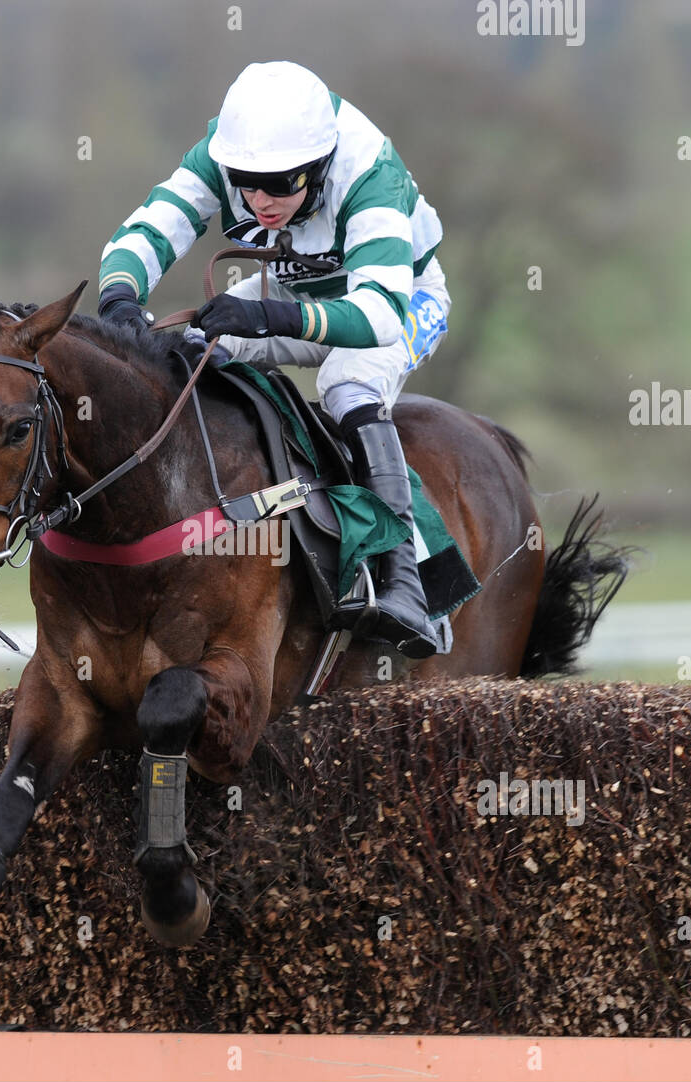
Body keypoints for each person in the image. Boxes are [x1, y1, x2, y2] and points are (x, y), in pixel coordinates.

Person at [97, 61, 448, 658]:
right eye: (247, 183)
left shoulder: (370, 172)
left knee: (347, 384)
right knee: (185, 352)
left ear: (318, 167)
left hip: (401, 297)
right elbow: (150, 229)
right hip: (296, 294)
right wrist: (121, 297)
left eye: (282, 185)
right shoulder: (225, 146)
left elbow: (378, 314)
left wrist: (268, 317)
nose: (260, 201)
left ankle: (404, 581)